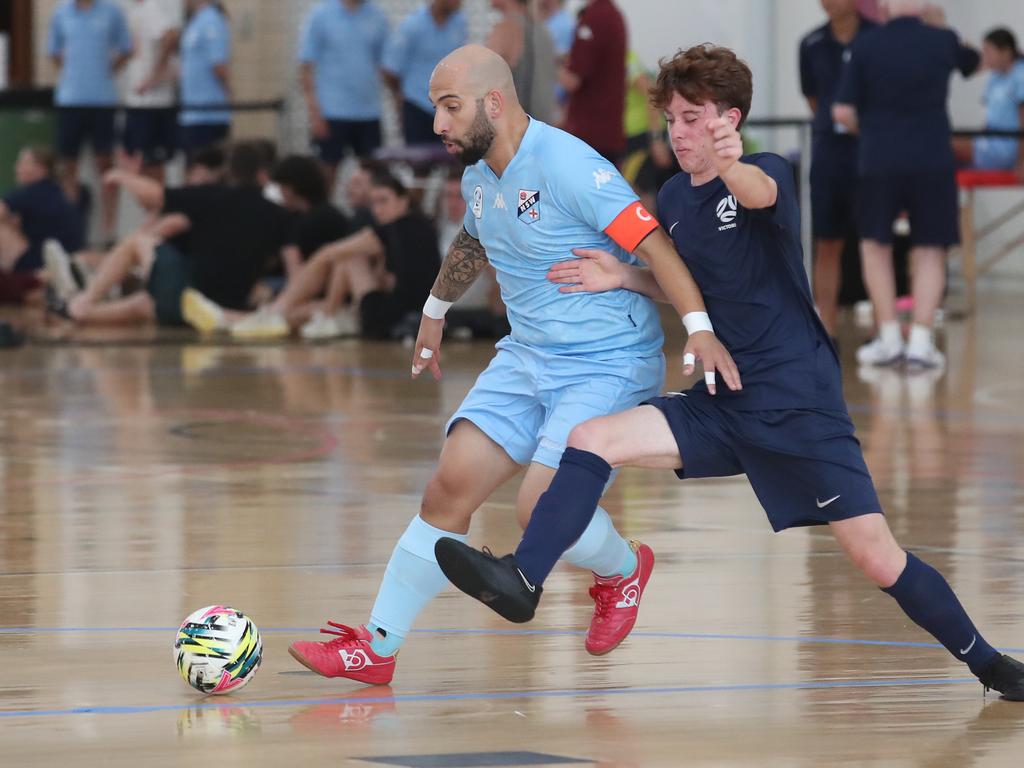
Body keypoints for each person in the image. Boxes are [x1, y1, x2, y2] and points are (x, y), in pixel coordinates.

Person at [433, 44, 1024, 703]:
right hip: (719, 401)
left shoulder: (762, 171)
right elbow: (689, 285)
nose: (679, 133)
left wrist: (733, 160)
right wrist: (623, 275)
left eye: (694, 119)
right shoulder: (677, 197)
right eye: (673, 120)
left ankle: (989, 662)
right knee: (591, 439)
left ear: (730, 120)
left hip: (798, 407)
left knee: (876, 557)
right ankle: (524, 579)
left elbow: (758, 192)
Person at [286, 44, 738, 684]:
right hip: (527, 356)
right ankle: (376, 649)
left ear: (493, 104)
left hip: (604, 361)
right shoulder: (476, 170)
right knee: (447, 489)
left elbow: (657, 245)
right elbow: (476, 233)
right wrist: (435, 308)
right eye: (435, 108)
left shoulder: (568, 164)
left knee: (539, 508)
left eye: (450, 107)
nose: (438, 124)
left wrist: (699, 329)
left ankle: (621, 569)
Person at [832, 0, 980, 369]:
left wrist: (875, 131)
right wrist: (942, 23)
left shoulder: (866, 45)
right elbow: (973, 61)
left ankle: (887, 338)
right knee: (930, 248)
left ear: (885, 6)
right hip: (932, 160)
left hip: (878, 159)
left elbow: (843, 111)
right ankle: (920, 341)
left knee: (875, 246)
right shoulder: (942, 40)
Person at [49, 142, 291, 327]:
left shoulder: (208, 196)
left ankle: (83, 299)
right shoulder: (280, 215)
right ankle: (72, 310)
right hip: (229, 301)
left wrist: (123, 176)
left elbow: (156, 199)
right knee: (143, 305)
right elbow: (287, 263)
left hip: (193, 294)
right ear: (263, 174)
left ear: (229, 171)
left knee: (137, 242)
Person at [217, 169, 440, 341]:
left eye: (384, 201)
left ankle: (288, 313)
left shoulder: (396, 227)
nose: (377, 209)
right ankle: (241, 318)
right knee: (311, 310)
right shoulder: (419, 228)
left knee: (346, 258)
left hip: (390, 319)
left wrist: (288, 296)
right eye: (373, 203)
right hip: (408, 315)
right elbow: (394, 280)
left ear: (404, 201)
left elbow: (329, 253)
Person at [799, 0, 877, 337]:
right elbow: (814, 98)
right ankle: (826, 329)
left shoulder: (878, 37)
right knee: (827, 241)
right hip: (829, 152)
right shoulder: (811, 43)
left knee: (875, 241)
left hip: (871, 151)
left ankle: (882, 328)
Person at [47, 0, 134, 244]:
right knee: (68, 166)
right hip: (70, 101)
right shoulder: (61, 13)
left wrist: (105, 71)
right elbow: (54, 52)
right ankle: (70, 229)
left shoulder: (112, 12)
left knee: (105, 164)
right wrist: (74, 75)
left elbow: (126, 48)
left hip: (102, 101)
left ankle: (110, 232)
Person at [298, 0, 390, 194]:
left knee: (373, 174)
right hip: (332, 110)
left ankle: (369, 220)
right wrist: (314, 114)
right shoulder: (321, 15)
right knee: (326, 173)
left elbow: (384, 64)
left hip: (368, 112)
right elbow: (306, 69)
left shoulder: (377, 16)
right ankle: (323, 219)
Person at [382, 0, 468, 146]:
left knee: (453, 158)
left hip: (448, 106)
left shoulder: (459, 24)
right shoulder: (413, 26)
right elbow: (390, 69)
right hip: (417, 104)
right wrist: (399, 98)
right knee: (419, 160)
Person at [119, 0, 183, 182]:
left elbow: (171, 36)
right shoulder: (135, 11)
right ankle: (153, 208)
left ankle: (158, 208)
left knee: (150, 163)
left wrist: (154, 75)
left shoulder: (152, 7)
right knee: (136, 162)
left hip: (152, 103)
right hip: (138, 102)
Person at [560, 0, 627, 165]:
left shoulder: (595, 18)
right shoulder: (613, 14)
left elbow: (573, 80)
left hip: (591, 135)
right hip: (607, 132)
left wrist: (545, 62)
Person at [953, 28, 1024, 176]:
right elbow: (992, 118)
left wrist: (1022, 160)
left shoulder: (1020, 76)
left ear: (1006, 52)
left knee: (943, 145)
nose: (985, 57)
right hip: (990, 140)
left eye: (988, 51)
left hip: (1007, 148)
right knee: (942, 140)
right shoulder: (995, 76)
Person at [486, 0, 557, 124]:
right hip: (541, 124)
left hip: (516, 127)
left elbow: (482, 75)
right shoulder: (543, 30)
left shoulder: (507, 28)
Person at [179, 0, 231, 159]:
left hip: (209, 114)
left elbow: (219, 65)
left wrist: (229, 92)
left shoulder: (213, 20)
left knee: (205, 170)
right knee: (192, 168)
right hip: (191, 112)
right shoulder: (195, 21)